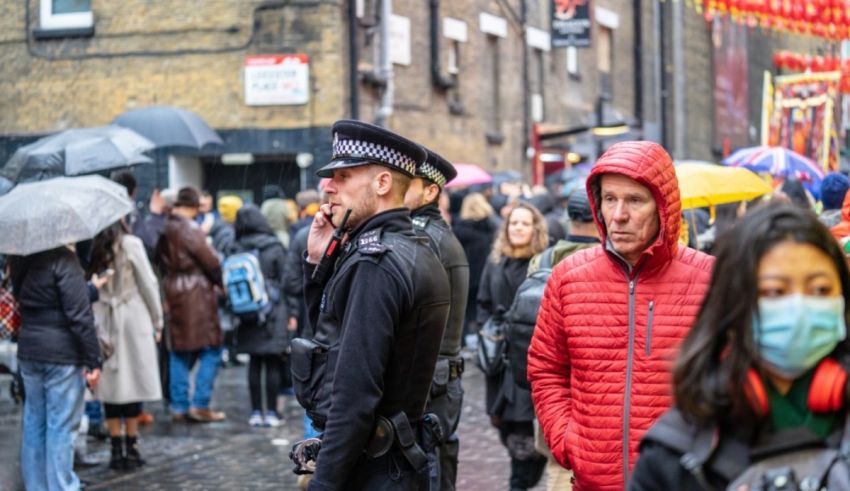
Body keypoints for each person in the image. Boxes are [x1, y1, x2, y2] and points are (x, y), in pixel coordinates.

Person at [527, 141, 715, 490]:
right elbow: (546, 368)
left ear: (663, 207)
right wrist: (568, 439)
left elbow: (735, 376)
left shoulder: (709, 279)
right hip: (593, 480)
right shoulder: (569, 277)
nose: (619, 215)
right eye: (610, 199)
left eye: (635, 200)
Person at [630, 203, 850, 489]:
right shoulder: (674, 454)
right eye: (775, 291)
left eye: (820, 289)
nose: (799, 306)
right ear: (733, 305)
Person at [290, 119, 450, 489]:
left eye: (343, 176)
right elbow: (330, 341)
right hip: (392, 465)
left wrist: (324, 483)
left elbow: (354, 394)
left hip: (374, 470)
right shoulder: (407, 246)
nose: (327, 186)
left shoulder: (375, 262)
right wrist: (319, 261)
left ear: (382, 183)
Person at [10, 246, 102, 491]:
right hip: (62, 354)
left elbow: (21, 297)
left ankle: (37, 486)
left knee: (34, 422)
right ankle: (62, 486)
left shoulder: (20, 257)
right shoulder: (64, 260)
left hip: (30, 350)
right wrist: (93, 360)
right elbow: (79, 316)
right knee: (60, 426)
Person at [404, 149, 469, 490]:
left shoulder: (424, 238)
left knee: (429, 463)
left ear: (431, 192)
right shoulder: (430, 234)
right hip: (439, 376)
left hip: (432, 379)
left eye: (408, 184)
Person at [527, 189, 600, 491]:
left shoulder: (541, 259)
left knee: (557, 473)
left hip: (552, 401)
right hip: (590, 396)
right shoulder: (607, 264)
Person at [478, 201, 549, 490]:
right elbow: (482, 302)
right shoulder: (496, 262)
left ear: (535, 229)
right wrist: (488, 331)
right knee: (506, 429)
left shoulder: (543, 264)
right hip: (499, 361)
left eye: (524, 223)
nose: (518, 227)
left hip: (527, 360)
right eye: (514, 223)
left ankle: (520, 483)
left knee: (524, 440)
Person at [88, 221, 163, 471]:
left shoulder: (94, 245)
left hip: (103, 318)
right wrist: (157, 319)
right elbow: (148, 283)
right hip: (132, 317)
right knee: (134, 382)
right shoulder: (131, 243)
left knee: (110, 387)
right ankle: (131, 445)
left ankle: (115, 447)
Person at [155, 187, 227, 423]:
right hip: (195, 292)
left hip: (173, 288)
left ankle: (179, 406)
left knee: (179, 350)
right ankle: (200, 404)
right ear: (194, 206)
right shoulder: (189, 227)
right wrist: (219, 281)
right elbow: (210, 260)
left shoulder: (165, 225)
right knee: (212, 348)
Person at [232, 205, 293, 427]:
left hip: (247, 312)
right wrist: (291, 312)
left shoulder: (236, 246)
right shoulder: (273, 246)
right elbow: (286, 280)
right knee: (273, 361)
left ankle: (256, 411)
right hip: (273, 310)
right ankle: (272, 413)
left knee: (255, 362)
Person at [452, 193, 498, 347]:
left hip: (465, 278)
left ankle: (462, 342)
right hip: (487, 278)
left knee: (462, 311)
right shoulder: (492, 229)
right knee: (484, 311)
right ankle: (484, 343)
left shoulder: (458, 231)